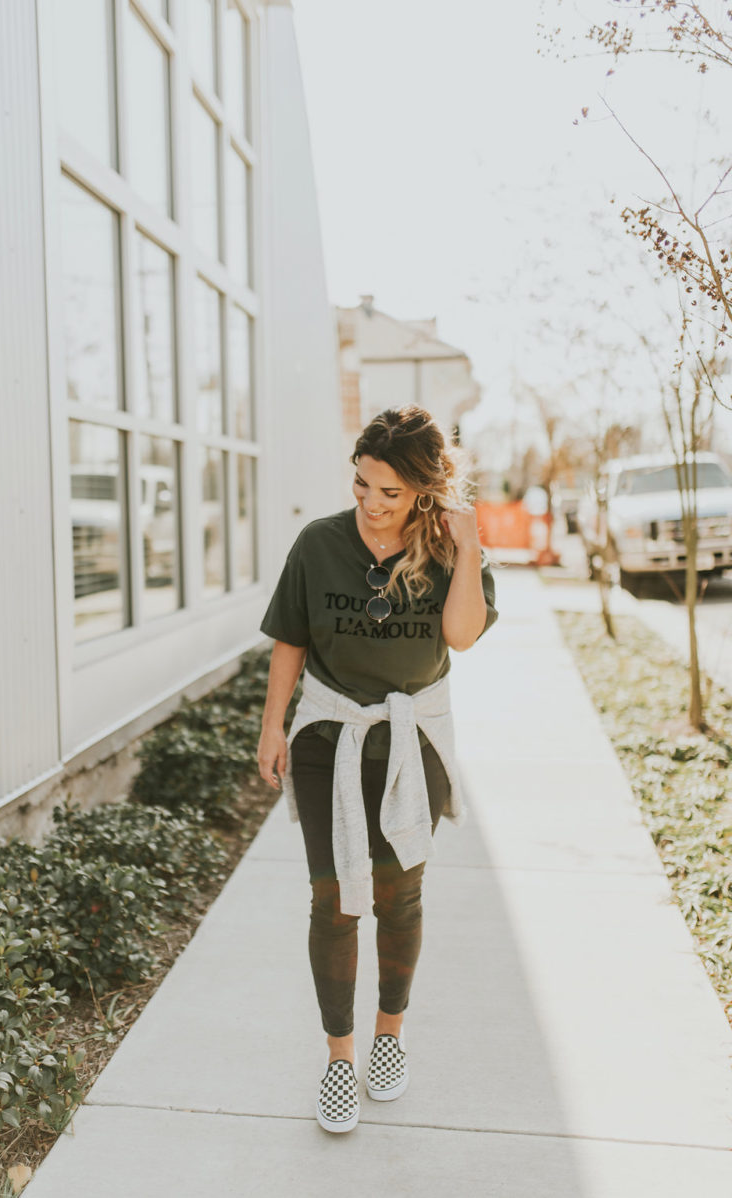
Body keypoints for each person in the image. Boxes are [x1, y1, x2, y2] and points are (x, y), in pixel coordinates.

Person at [257, 405, 498, 1133]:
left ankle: (388, 1040)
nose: (370, 502)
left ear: (424, 491)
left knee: (399, 896)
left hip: (411, 739)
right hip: (330, 735)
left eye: (390, 492)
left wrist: (470, 544)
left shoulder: (450, 549)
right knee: (333, 902)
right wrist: (273, 725)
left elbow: (461, 636)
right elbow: (290, 642)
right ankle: (339, 1057)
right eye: (362, 484)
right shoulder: (318, 543)